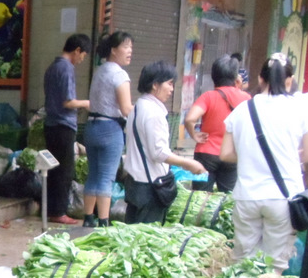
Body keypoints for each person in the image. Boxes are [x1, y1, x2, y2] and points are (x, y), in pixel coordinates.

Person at [220, 54, 308, 273]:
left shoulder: (242, 109)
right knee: (274, 266)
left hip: (246, 196)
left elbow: (225, 154)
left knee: (242, 262)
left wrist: (250, 155)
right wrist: (288, 157)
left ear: (260, 78)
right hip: (283, 197)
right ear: (289, 80)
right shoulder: (300, 109)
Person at [125, 61, 206, 224]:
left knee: (131, 232)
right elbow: (159, 153)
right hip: (149, 186)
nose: (172, 89)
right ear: (155, 85)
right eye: (169, 83)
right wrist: (188, 163)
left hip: (134, 182)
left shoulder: (139, 106)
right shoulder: (154, 113)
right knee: (147, 235)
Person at [83, 31, 134, 227]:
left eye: (131, 47)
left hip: (91, 127)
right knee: (106, 178)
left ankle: (88, 219)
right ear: (113, 50)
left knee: (93, 175)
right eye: (126, 47)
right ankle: (104, 222)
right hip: (110, 129)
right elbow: (126, 109)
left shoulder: (99, 71)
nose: (130, 51)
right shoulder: (119, 74)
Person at [43, 33, 91, 225]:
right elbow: (68, 101)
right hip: (63, 125)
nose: (82, 59)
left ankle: (51, 208)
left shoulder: (52, 67)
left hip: (51, 124)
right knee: (64, 170)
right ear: (77, 50)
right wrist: (87, 103)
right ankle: (59, 212)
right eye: (83, 55)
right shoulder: (66, 68)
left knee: (53, 169)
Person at [183, 54, 250, 193]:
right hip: (232, 153)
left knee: (200, 198)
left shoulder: (208, 97)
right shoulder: (246, 99)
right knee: (227, 198)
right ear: (235, 77)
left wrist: (194, 134)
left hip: (206, 153)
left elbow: (189, 119)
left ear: (214, 76)